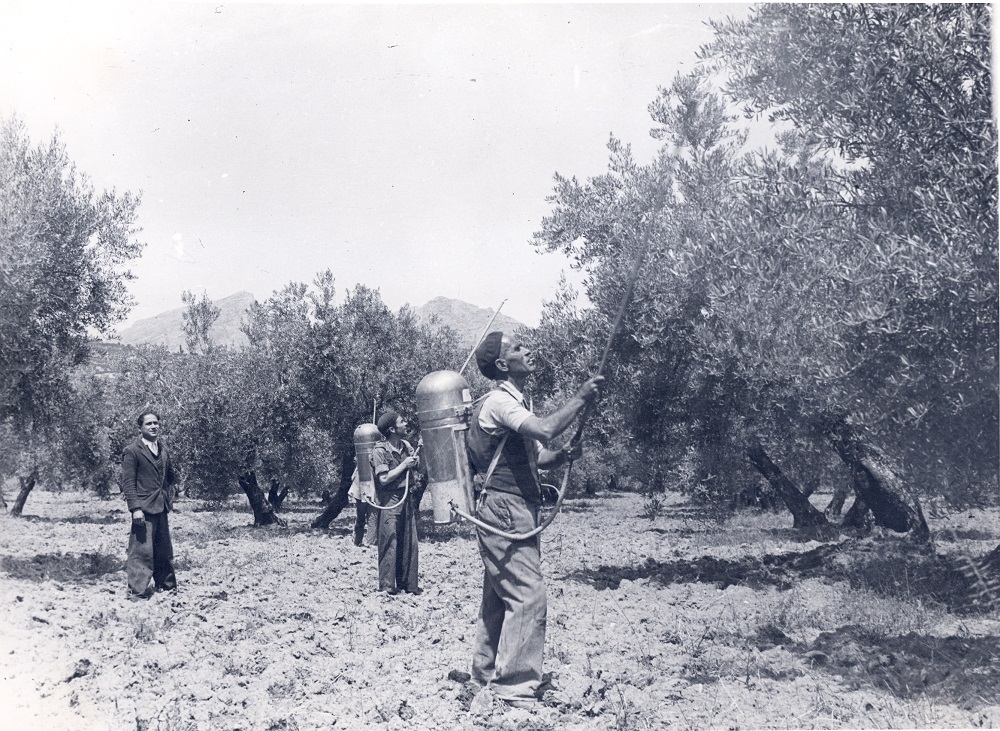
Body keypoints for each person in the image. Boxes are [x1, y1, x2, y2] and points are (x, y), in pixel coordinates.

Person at [467, 331, 604, 708]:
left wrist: (562, 456)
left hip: (513, 508)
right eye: (517, 348)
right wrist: (581, 397)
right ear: (502, 364)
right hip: (506, 509)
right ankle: (514, 688)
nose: (527, 350)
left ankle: (484, 674)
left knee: (499, 595)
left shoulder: (516, 403)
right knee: (529, 595)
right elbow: (544, 429)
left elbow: (538, 456)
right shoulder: (499, 401)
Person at [120, 410, 178, 599]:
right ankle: (136, 592)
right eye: (149, 424)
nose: (153, 426)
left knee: (164, 550)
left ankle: (167, 587)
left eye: (156, 423)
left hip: (161, 506)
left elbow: (170, 477)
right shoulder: (132, 451)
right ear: (140, 428)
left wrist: (169, 494)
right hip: (143, 509)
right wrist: (135, 508)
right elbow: (128, 483)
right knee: (141, 552)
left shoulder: (163, 450)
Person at [370, 410, 420, 595]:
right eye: (401, 421)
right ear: (392, 429)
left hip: (407, 499)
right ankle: (387, 587)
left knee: (409, 543)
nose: (405, 424)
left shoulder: (406, 446)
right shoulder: (380, 451)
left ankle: (408, 585)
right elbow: (383, 479)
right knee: (389, 541)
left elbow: (419, 469)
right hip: (389, 501)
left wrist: (417, 458)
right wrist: (404, 465)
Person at [347, 467, 378, 547]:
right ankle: (361, 541)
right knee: (368, 516)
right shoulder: (362, 463)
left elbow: (353, 477)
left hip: (367, 489)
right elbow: (353, 476)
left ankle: (365, 541)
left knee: (368, 516)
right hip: (364, 490)